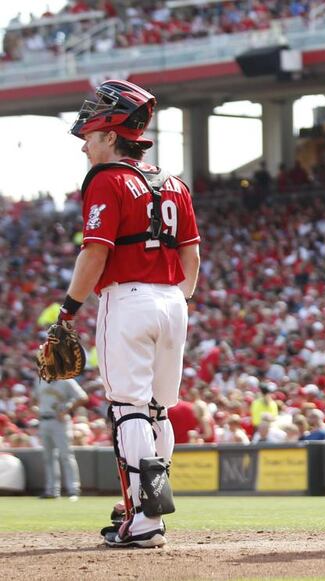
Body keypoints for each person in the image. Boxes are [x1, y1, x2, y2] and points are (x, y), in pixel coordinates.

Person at [66, 79, 201, 548]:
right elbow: (192, 260)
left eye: (90, 135)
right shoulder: (174, 182)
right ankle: (142, 507)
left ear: (109, 134)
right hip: (173, 301)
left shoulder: (107, 180)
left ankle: (144, 519)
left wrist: (67, 312)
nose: (85, 143)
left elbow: (94, 254)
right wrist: (176, 301)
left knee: (128, 410)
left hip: (128, 298)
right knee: (158, 412)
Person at [34, 377, 89, 500]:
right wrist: (36, 408)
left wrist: (67, 409)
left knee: (66, 455)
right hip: (43, 420)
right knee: (48, 457)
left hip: (60, 421)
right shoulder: (40, 380)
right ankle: (52, 490)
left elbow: (82, 397)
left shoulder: (66, 380)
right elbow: (35, 397)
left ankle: (73, 490)